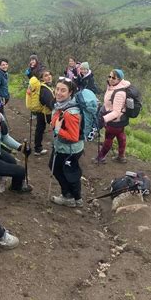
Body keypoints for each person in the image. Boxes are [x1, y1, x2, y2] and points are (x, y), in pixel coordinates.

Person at [48, 77, 84, 207]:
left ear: (70, 93)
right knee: (71, 172)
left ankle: (68, 197)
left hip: (68, 149)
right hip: (70, 148)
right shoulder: (63, 105)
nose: (58, 92)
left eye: (63, 90)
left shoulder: (70, 112)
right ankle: (77, 198)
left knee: (59, 169)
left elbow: (73, 136)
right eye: (57, 89)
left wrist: (58, 129)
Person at [93, 68, 130, 164]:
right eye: (109, 76)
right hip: (120, 119)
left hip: (114, 120)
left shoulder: (119, 93)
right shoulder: (112, 87)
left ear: (119, 80)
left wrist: (104, 119)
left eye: (114, 78)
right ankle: (121, 156)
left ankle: (100, 158)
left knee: (108, 138)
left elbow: (116, 112)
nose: (110, 79)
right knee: (121, 136)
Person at [33, 69, 55, 156]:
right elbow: (50, 104)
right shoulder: (45, 89)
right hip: (47, 113)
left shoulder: (44, 87)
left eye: (49, 74)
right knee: (57, 130)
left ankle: (37, 148)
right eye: (46, 75)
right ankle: (57, 149)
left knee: (39, 129)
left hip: (41, 111)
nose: (49, 76)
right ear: (42, 78)